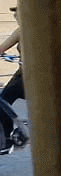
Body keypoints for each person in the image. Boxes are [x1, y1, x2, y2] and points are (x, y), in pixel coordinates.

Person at [0, 11, 28, 153]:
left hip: (25, 75)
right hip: (30, 74)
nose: (16, 15)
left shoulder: (22, 30)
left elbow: (2, 48)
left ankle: (9, 140)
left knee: (3, 102)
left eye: (17, 12)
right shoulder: (22, 30)